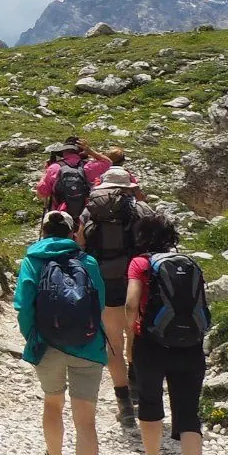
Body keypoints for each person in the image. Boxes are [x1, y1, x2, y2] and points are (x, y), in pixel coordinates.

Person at [15, 209, 108, 455]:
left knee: (53, 404)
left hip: (48, 345)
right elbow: (100, 304)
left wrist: (34, 337)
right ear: (73, 231)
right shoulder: (89, 262)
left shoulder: (32, 260)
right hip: (88, 348)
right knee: (86, 421)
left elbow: (23, 306)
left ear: (42, 231)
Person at [125, 206, 212, 455]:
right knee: (189, 413)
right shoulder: (190, 263)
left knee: (150, 403)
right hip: (190, 346)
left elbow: (132, 303)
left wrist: (129, 340)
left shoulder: (141, 263)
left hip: (151, 344)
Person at [79, 162, 145, 427]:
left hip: (105, 285)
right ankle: (137, 382)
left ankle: (124, 404)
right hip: (136, 282)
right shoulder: (140, 209)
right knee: (137, 333)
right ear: (128, 187)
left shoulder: (89, 211)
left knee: (113, 343)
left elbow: (80, 245)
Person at [36, 136, 111, 219]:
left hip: (60, 215)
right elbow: (108, 162)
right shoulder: (87, 166)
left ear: (63, 151)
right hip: (83, 215)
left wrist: (46, 171)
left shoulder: (54, 167)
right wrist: (91, 151)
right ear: (81, 152)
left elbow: (41, 193)